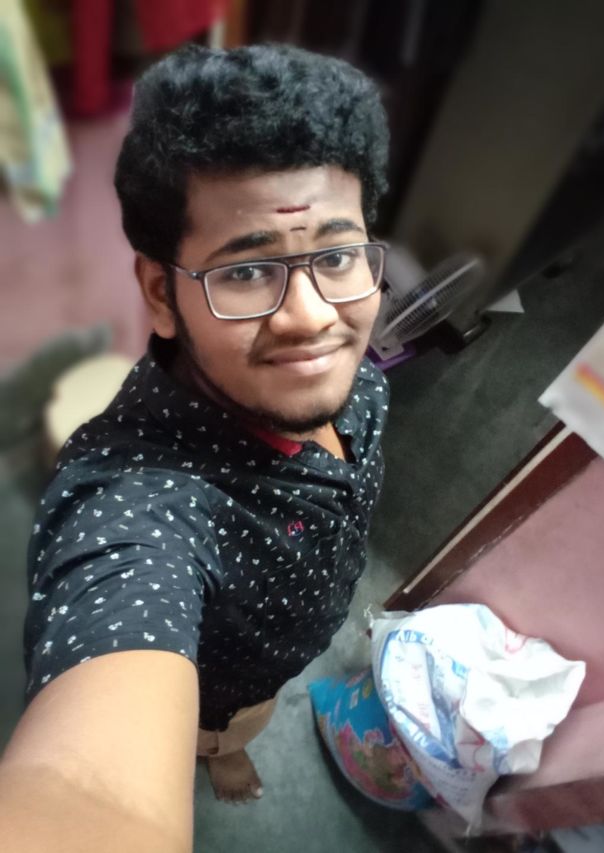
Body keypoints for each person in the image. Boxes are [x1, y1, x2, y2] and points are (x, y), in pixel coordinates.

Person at [0, 43, 390, 851]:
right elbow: (85, 793)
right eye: (246, 272)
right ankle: (218, 750)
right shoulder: (137, 506)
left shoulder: (363, 387)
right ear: (160, 292)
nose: (313, 317)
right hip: (217, 687)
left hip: (280, 646)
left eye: (336, 255)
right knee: (221, 729)